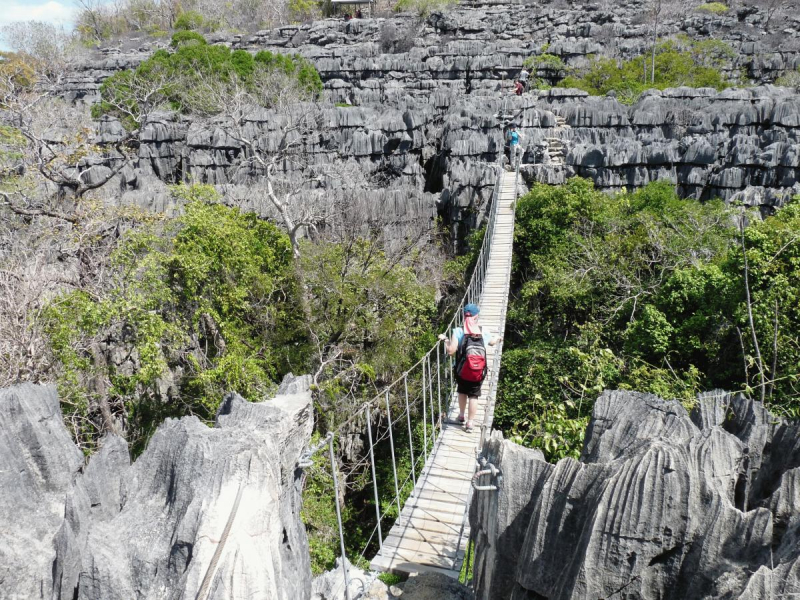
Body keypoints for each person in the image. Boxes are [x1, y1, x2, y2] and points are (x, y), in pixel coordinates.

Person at [438, 304, 502, 433]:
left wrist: (445, 340)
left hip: (461, 371)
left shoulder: (458, 331)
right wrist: (498, 338)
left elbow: (451, 351)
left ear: (463, 316)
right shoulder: (483, 331)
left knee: (462, 391)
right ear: (476, 316)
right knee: (473, 395)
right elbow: (491, 342)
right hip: (478, 371)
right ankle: (470, 423)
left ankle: (461, 415)